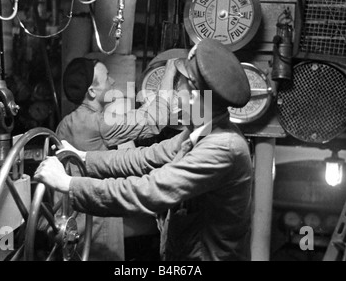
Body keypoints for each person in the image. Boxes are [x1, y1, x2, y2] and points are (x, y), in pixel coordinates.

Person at [36, 39, 253, 261]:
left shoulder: (220, 147)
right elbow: (144, 157)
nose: (177, 90)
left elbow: (149, 190)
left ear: (196, 96)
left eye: (180, 83)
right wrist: (84, 158)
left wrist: (69, 184)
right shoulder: (199, 132)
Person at [56, 57, 178, 261]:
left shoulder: (66, 122)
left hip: (72, 217)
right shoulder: (100, 123)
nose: (113, 82)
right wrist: (171, 71)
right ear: (92, 92)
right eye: (107, 78)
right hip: (95, 221)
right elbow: (156, 120)